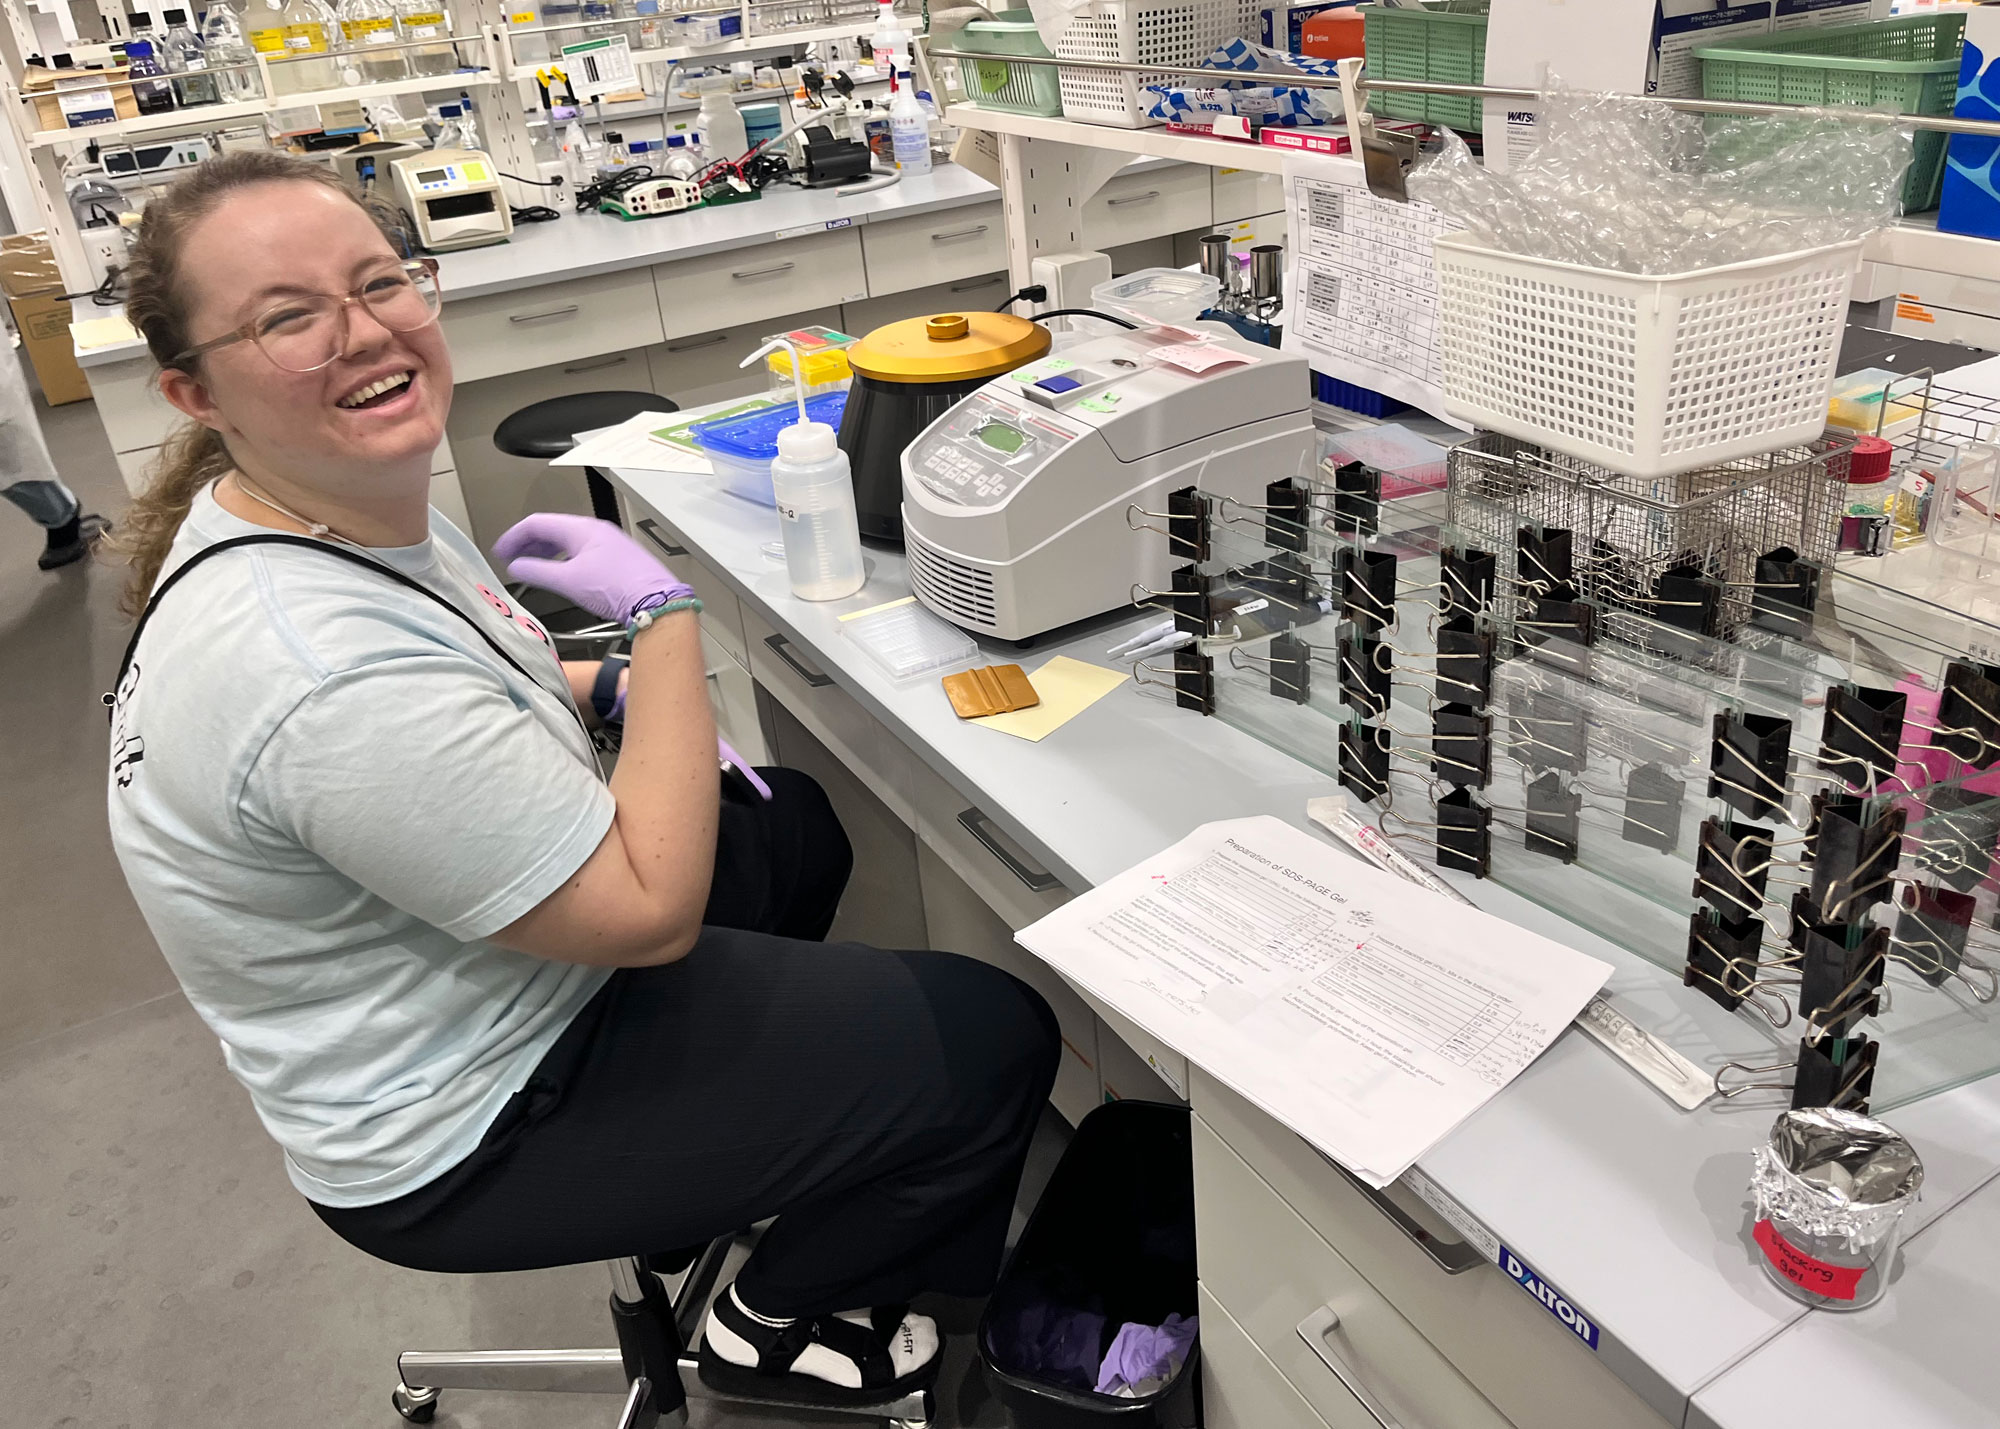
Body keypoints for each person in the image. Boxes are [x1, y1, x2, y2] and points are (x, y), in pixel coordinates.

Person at [102, 151, 1059, 1410]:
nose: (363, 331)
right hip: (463, 1121)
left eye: (379, 280)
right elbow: (647, 911)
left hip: (488, 980)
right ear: (193, 387)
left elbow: (452, 661)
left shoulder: (315, 502)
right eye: (287, 317)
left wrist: (592, 686)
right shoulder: (306, 668)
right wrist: (660, 621)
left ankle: (717, 1182)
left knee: (792, 825)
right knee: (993, 1036)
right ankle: (776, 1319)